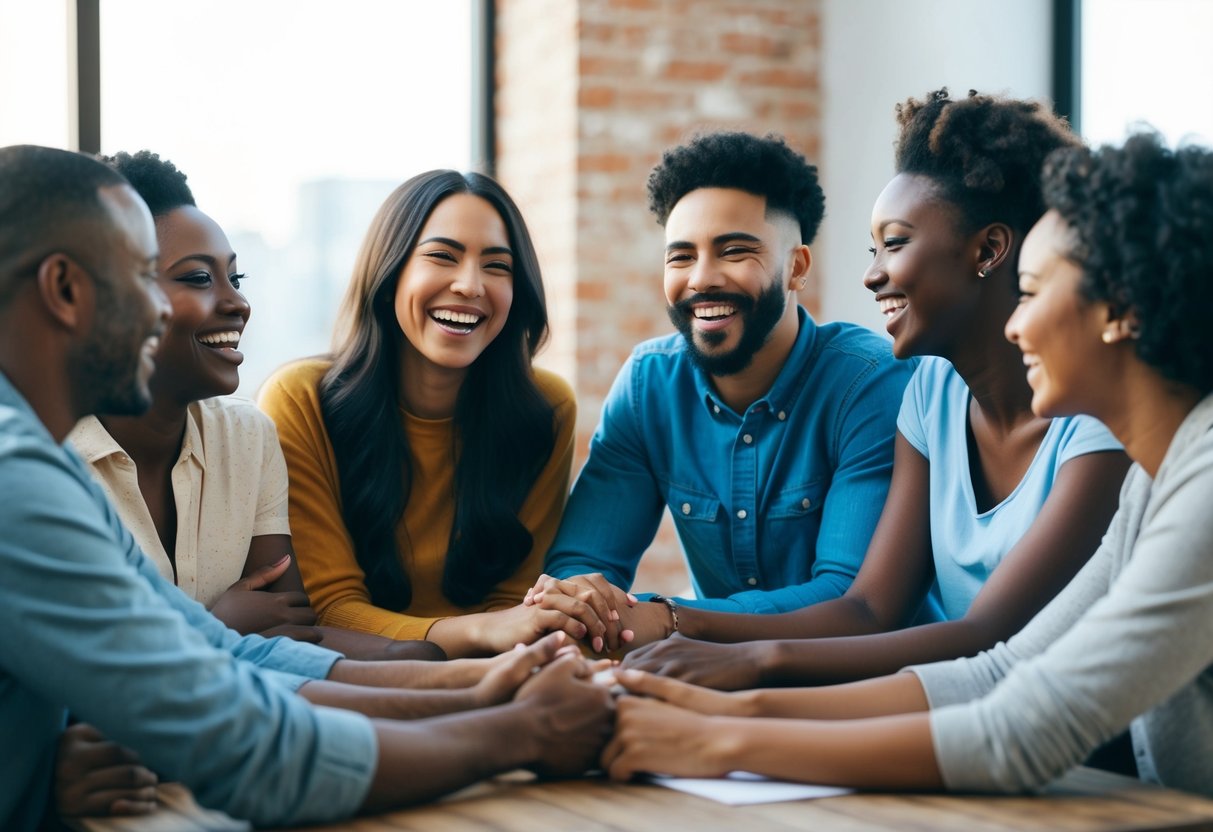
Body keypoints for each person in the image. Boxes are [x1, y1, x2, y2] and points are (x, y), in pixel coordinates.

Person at [0, 145, 613, 831]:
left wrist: (475, 687)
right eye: (146, 276)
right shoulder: (13, 480)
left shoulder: (39, 463)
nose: (164, 308)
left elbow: (232, 655)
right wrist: (517, 733)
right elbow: (249, 753)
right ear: (64, 289)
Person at [602, 132, 1213, 799]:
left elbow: (1024, 728)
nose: (1014, 325)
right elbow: (994, 671)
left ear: (1119, 309)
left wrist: (720, 737)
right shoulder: (1159, 481)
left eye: (1031, 293)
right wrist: (723, 706)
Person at [621, 90, 1127, 688]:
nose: (872, 274)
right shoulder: (931, 394)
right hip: (970, 714)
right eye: (873, 248)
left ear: (989, 250)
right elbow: (868, 610)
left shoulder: (1100, 417)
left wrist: (749, 662)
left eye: (895, 242)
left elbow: (989, 637)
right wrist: (675, 625)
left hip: (1087, 748)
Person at [528, 132, 915, 649]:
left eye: (734, 251)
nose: (701, 279)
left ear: (796, 268)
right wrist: (584, 602)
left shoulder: (869, 383)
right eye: (680, 257)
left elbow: (845, 597)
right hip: (712, 680)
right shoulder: (649, 386)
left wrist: (669, 617)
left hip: (862, 687)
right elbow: (584, 562)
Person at [67, 150, 439, 661]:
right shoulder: (51, 457)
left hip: (256, 700)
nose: (238, 303)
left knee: (424, 662)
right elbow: (97, 669)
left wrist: (433, 660)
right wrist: (214, 627)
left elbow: (288, 636)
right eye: (199, 278)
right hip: (135, 726)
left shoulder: (246, 437)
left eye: (234, 280)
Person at [257, 170, 603, 659]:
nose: (470, 284)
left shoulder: (545, 408)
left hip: (493, 674)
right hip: (354, 678)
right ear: (390, 270)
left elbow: (517, 604)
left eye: (497, 266)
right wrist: (483, 632)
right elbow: (328, 610)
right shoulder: (298, 399)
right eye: (442, 256)